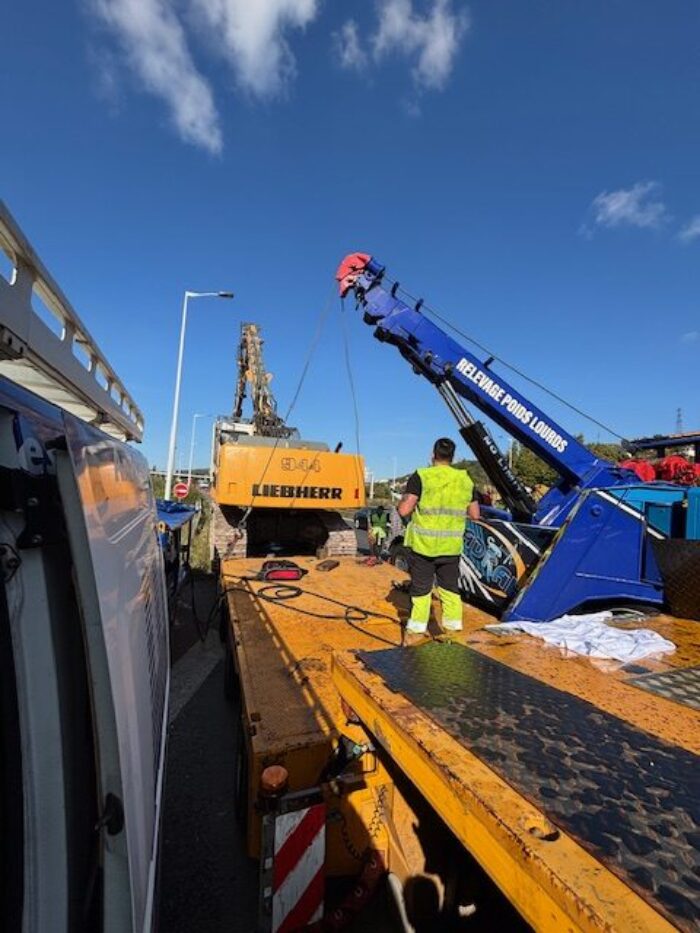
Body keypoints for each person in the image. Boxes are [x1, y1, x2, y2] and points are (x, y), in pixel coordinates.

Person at [397, 437, 480, 640]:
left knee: (421, 590)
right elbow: (475, 515)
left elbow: (405, 509)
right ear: (453, 457)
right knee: (450, 590)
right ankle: (452, 633)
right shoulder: (465, 479)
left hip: (424, 547)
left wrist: (405, 502)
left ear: (432, 455)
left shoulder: (422, 476)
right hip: (451, 548)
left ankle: (416, 632)